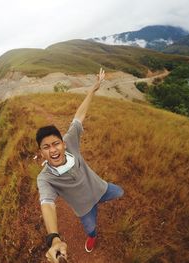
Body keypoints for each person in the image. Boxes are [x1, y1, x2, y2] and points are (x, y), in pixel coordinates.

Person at [36, 68, 124, 262]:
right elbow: (47, 204)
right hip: (84, 208)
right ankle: (92, 237)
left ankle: (107, 198)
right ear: (41, 152)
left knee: (119, 192)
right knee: (91, 228)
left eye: (56, 143)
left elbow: (79, 115)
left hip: (101, 188)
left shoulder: (71, 141)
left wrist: (93, 89)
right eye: (46, 147)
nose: (53, 150)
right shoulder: (45, 178)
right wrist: (54, 239)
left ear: (63, 143)